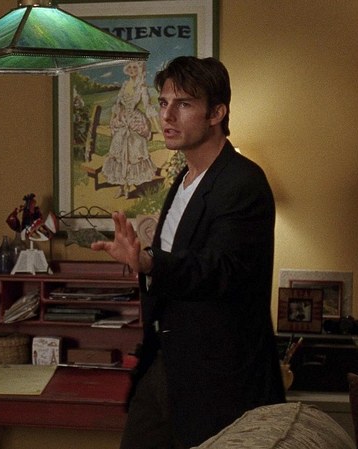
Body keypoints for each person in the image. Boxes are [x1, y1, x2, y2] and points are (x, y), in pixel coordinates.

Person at [92, 56, 285, 448]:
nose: (167, 115)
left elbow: (220, 269)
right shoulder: (184, 177)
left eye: (183, 104)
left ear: (216, 113)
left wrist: (148, 261)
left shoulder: (243, 181)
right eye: (163, 103)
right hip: (164, 363)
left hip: (219, 378)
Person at [102, 60, 159, 198]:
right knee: (118, 155)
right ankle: (122, 187)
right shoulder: (125, 85)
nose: (132, 70)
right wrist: (114, 120)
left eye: (135, 67)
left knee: (133, 155)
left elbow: (147, 107)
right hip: (122, 121)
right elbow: (117, 104)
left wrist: (157, 126)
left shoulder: (142, 87)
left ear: (139, 69)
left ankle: (131, 187)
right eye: (130, 67)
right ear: (127, 69)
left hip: (135, 122)